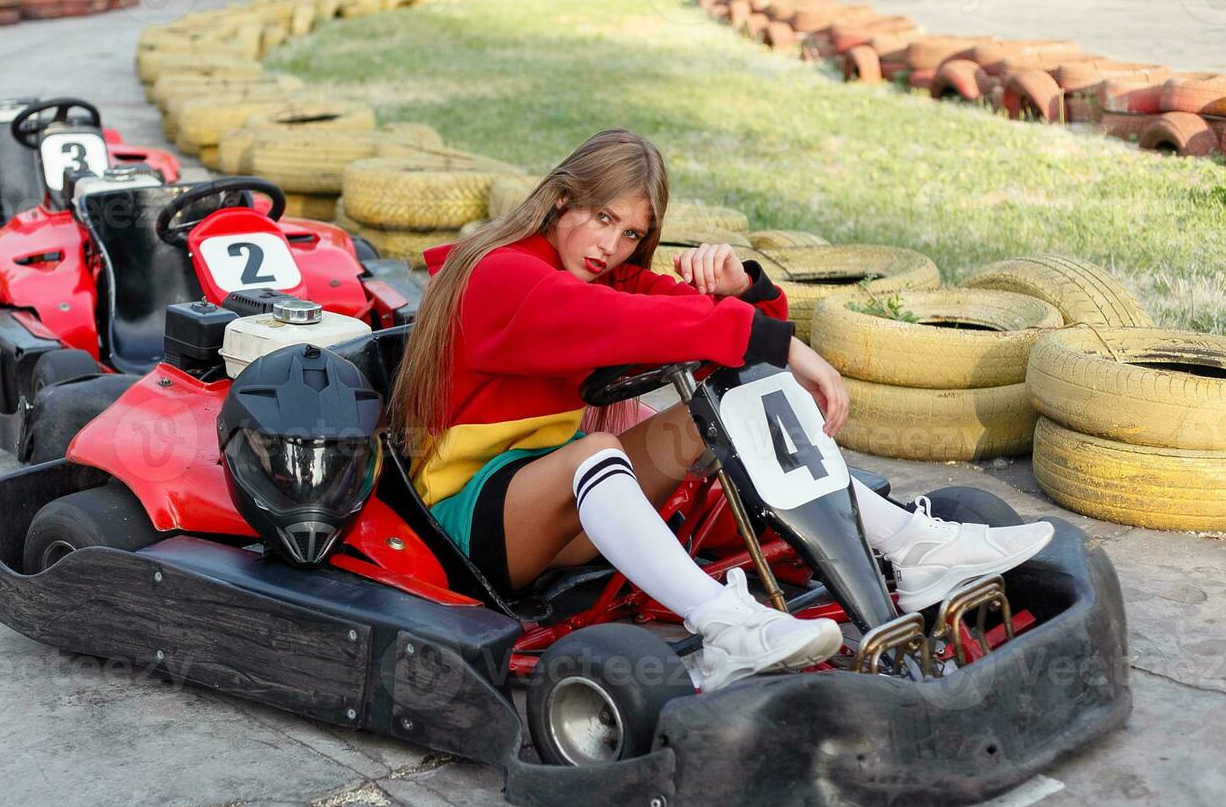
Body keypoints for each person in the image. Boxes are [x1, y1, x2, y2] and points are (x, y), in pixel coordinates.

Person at [390, 129, 1053, 690]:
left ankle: (911, 545)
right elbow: (622, 321)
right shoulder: (499, 274)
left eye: (631, 234)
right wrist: (784, 346)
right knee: (599, 451)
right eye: (601, 219)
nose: (611, 246)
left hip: (558, 514)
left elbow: (710, 334)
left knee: (717, 402)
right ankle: (725, 625)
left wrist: (748, 291)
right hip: (468, 519)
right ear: (560, 198)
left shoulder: (595, 272)